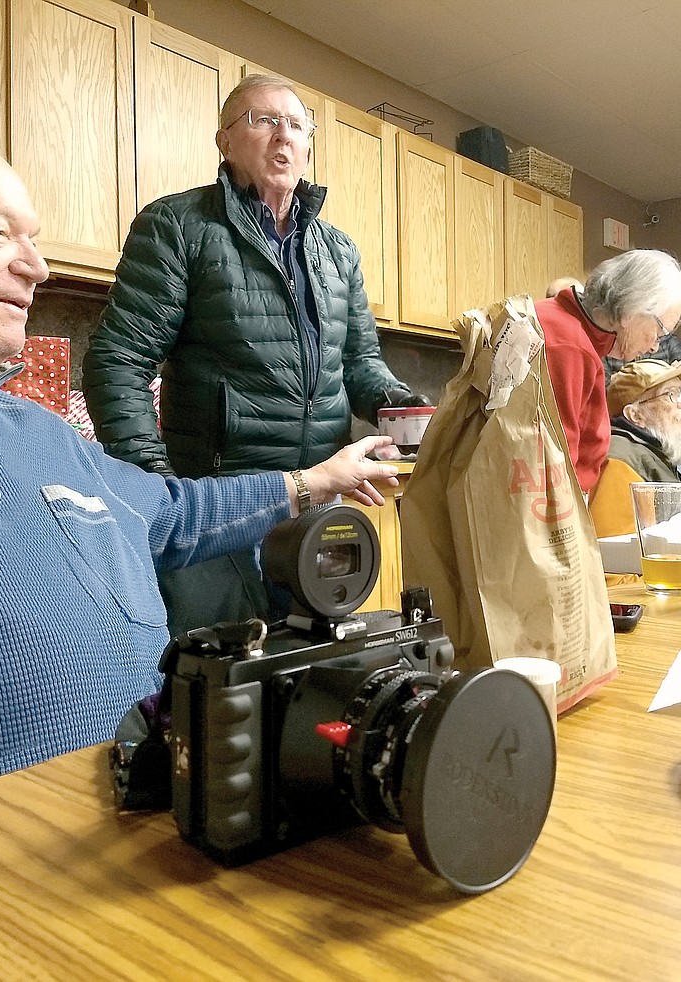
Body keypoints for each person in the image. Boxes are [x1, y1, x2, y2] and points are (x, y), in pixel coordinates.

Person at [0, 118, 399, 835]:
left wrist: (312, 481)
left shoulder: (43, 433)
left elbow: (170, 512)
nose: (37, 268)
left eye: (35, 240)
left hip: (165, 837)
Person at [82, 73, 426, 634]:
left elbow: (361, 363)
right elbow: (117, 363)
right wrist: (155, 487)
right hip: (218, 510)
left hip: (319, 505)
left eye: (295, 125)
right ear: (225, 140)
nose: (281, 137)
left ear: (309, 145)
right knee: (215, 688)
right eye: (262, 121)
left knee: (305, 674)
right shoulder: (178, 227)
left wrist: (401, 405)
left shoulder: (338, 252)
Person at [536, 249, 681, 493]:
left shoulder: (570, 329)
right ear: (632, 311)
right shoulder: (568, 345)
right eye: (659, 332)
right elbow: (555, 470)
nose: (655, 344)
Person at [588, 359, 681, 537]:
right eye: (671, 394)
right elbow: (613, 547)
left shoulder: (652, 452)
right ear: (635, 415)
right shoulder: (621, 458)